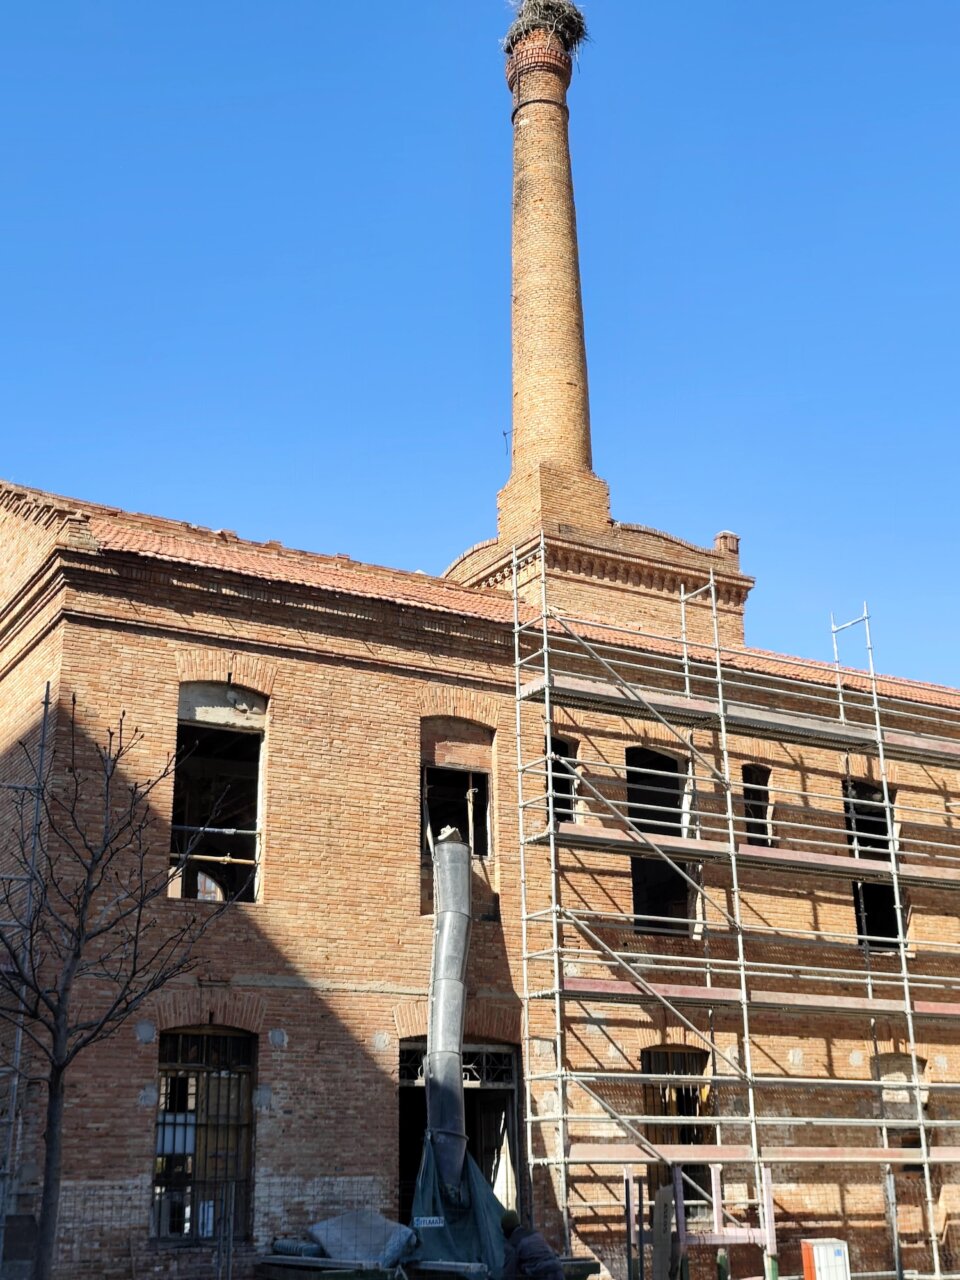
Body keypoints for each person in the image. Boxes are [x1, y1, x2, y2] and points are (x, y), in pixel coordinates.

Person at [501, 1210, 564, 1280]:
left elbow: (509, 1274)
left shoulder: (513, 1243)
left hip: (541, 1274)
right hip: (557, 1271)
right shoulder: (535, 1234)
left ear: (506, 1230)